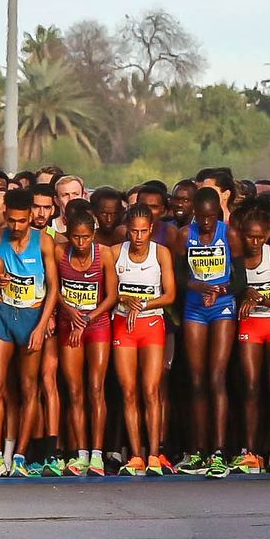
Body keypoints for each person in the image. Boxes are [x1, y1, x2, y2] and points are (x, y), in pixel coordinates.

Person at [0, 187, 56, 478]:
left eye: (21, 221)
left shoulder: (44, 243)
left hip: (31, 317)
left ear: (31, 218)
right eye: (11, 220)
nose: (16, 227)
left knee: (29, 388)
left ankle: (22, 457)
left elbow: (53, 288)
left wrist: (41, 326)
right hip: (3, 315)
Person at [113, 203, 176, 477]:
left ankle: (154, 453)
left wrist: (144, 304)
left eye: (143, 232)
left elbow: (170, 294)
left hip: (151, 323)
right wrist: (122, 298)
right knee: (128, 391)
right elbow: (107, 291)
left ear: (151, 229)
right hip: (123, 325)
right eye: (134, 231)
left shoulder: (161, 253)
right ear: (127, 230)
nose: (138, 237)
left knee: (151, 390)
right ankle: (136, 454)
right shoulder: (116, 252)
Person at [176, 184, 235, 477]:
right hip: (194, 307)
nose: (207, 222)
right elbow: (175, 274)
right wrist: (196, 285)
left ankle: (220, 452)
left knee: (217, 377)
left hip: (222, 306)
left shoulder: (229, 234)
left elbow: (242, 280)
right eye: (202, 216)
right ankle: (198, 451)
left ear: (219, 214)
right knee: (197, 379)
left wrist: (221, 288)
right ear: (195, 214)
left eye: (212, 216)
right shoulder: (186, 235)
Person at [54, 207, 115, 476]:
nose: (81, 243)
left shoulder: (104, 254)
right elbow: (53, 290)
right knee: (75, 390)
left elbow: (112, 296)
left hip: (96, 324)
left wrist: (88, 318)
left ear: (93, 235)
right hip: (70, 323)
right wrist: (69, 312)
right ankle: (80, 453)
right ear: (68, 235)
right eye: (76, 238)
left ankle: (98, 454)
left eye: (86, 238)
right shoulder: (59, 253)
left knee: (96, 387)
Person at [232, 201, 270, 474]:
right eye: (249, 237)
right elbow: (230, 292)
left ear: (265, 235)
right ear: (242, 235)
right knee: (252, 386)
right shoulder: (237, 260)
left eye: (259, 237)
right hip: (250, 325)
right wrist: (245, 294)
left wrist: (261, 298)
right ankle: (251, 450)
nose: (254, 242)